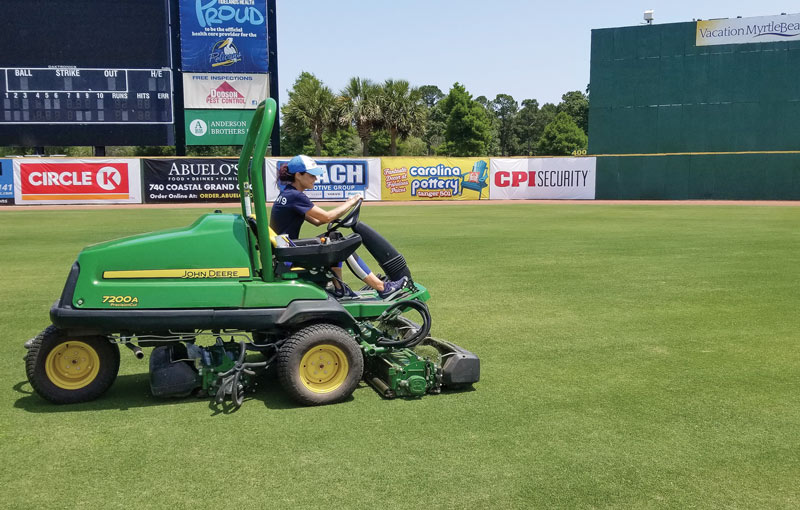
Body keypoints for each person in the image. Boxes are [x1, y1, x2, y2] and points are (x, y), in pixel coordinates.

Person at [269, 155, 408, 299]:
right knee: (340, 243)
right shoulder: (295, 196)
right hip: (289, 254)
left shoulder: (287, 194)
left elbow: (318, 221)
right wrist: (352, 201)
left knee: (334, 238)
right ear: (298, 175)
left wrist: (340, 215)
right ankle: (382, 287)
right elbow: (327, 217)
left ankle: (340, 288)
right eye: (312, 175)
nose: (315, 179)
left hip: (285, 251)